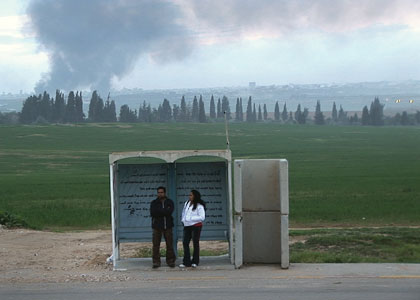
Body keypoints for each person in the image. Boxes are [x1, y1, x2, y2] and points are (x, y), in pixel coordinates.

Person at [150, 186, 176, 268]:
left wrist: (161, 211)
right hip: (157, 227)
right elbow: (153, 213)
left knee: (169, 244)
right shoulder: (154, 202)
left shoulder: (170, 202)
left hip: (168, 226)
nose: (160, 194)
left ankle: (170, 261)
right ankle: (156, 262)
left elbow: (169, 212)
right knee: (156, 245)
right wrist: (164, 211)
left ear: (164, 193)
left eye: (161, 192)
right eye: (158, 192)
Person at [179, 189, 206, 268]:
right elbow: (184, 212)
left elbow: (202, 217)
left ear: (195, 196)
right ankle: (186, 261)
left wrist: (190, 219)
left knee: (195, 243)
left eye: (191, 195)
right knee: (185, 243)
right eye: (189, 195)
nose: (189, 196)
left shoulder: (199, 206)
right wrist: (183, 220)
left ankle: (195, 261)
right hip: (187, 226)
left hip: (196, 226)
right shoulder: (187, 203)